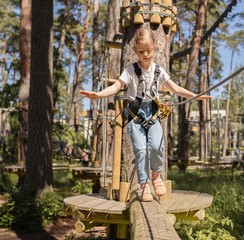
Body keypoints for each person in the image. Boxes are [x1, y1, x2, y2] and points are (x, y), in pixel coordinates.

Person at [80, 27, 211, 201]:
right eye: (141, 51)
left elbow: (176, 88)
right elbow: (116, 87)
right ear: (134, 50)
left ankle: (156, 176)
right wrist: (99, 94)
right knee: (141, 150)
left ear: (156, 48)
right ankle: (144, 186)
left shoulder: (159, 71)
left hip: (153, 114)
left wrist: (196, 96)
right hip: (136, 115)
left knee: (156, 146)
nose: (146, 54)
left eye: (149, 51)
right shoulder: (130, 71)